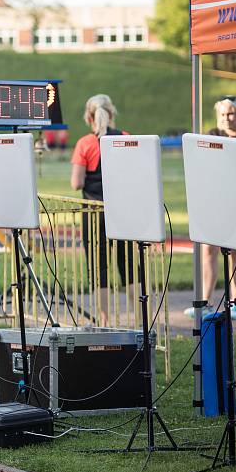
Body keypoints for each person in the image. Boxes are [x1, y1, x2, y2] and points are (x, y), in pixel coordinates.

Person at [70, 94, 133, 326]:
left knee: (99, 265)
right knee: (127, 263)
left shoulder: (85, 144)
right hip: (122, 211)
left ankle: (104, 318)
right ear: (112, 113)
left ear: (89, 117)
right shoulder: (126, 138)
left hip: (94, 213)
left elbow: (77, 183)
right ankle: (139, 317)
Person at [184, 98, 236, 319]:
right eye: (223, 114)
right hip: (214, 201)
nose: (227, 118)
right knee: (208, 250)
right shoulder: (212, 134)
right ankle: (205, 301)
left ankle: (235, 302)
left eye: (231, 113)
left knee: (235, 252)